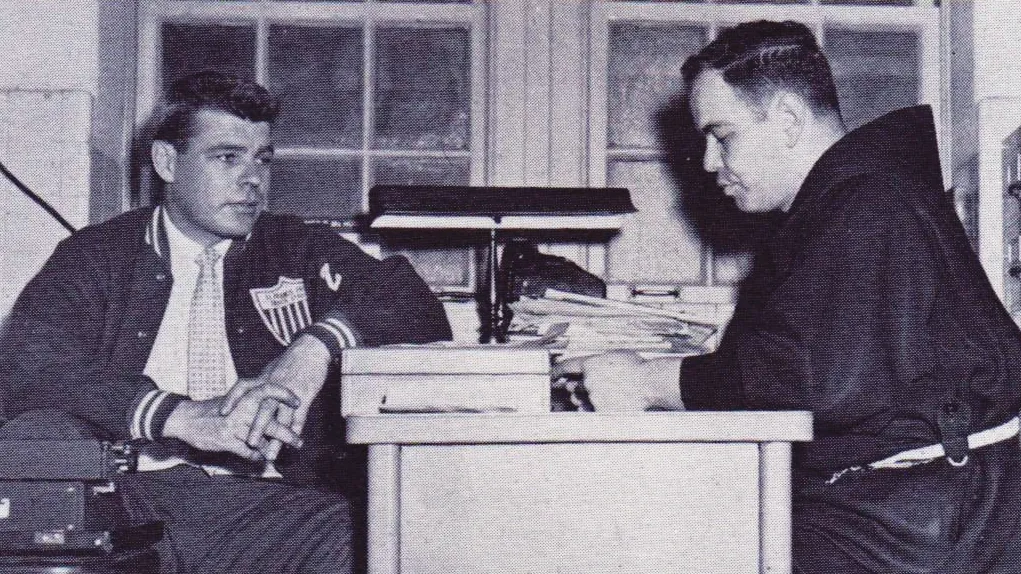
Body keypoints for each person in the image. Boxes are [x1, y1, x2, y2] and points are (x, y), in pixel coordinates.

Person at [557, 20, 1021, 573]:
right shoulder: (847, 203)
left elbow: (812, 376)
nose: (708, 162)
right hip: (906, 505)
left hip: (925, 523)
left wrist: (650, 380)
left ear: (787, 120)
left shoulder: (867, 205)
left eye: (722, 134)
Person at [0, 70, 452, 573]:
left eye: (262, 159)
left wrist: (312, 350)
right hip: (126, 501)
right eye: (227, 158)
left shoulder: (295, 247)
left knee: (383, 540)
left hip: (266, 506)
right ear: (168, 162)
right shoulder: (97, 255)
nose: (252, 180)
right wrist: (180, 418)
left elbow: (414, 306)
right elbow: (29, 367)